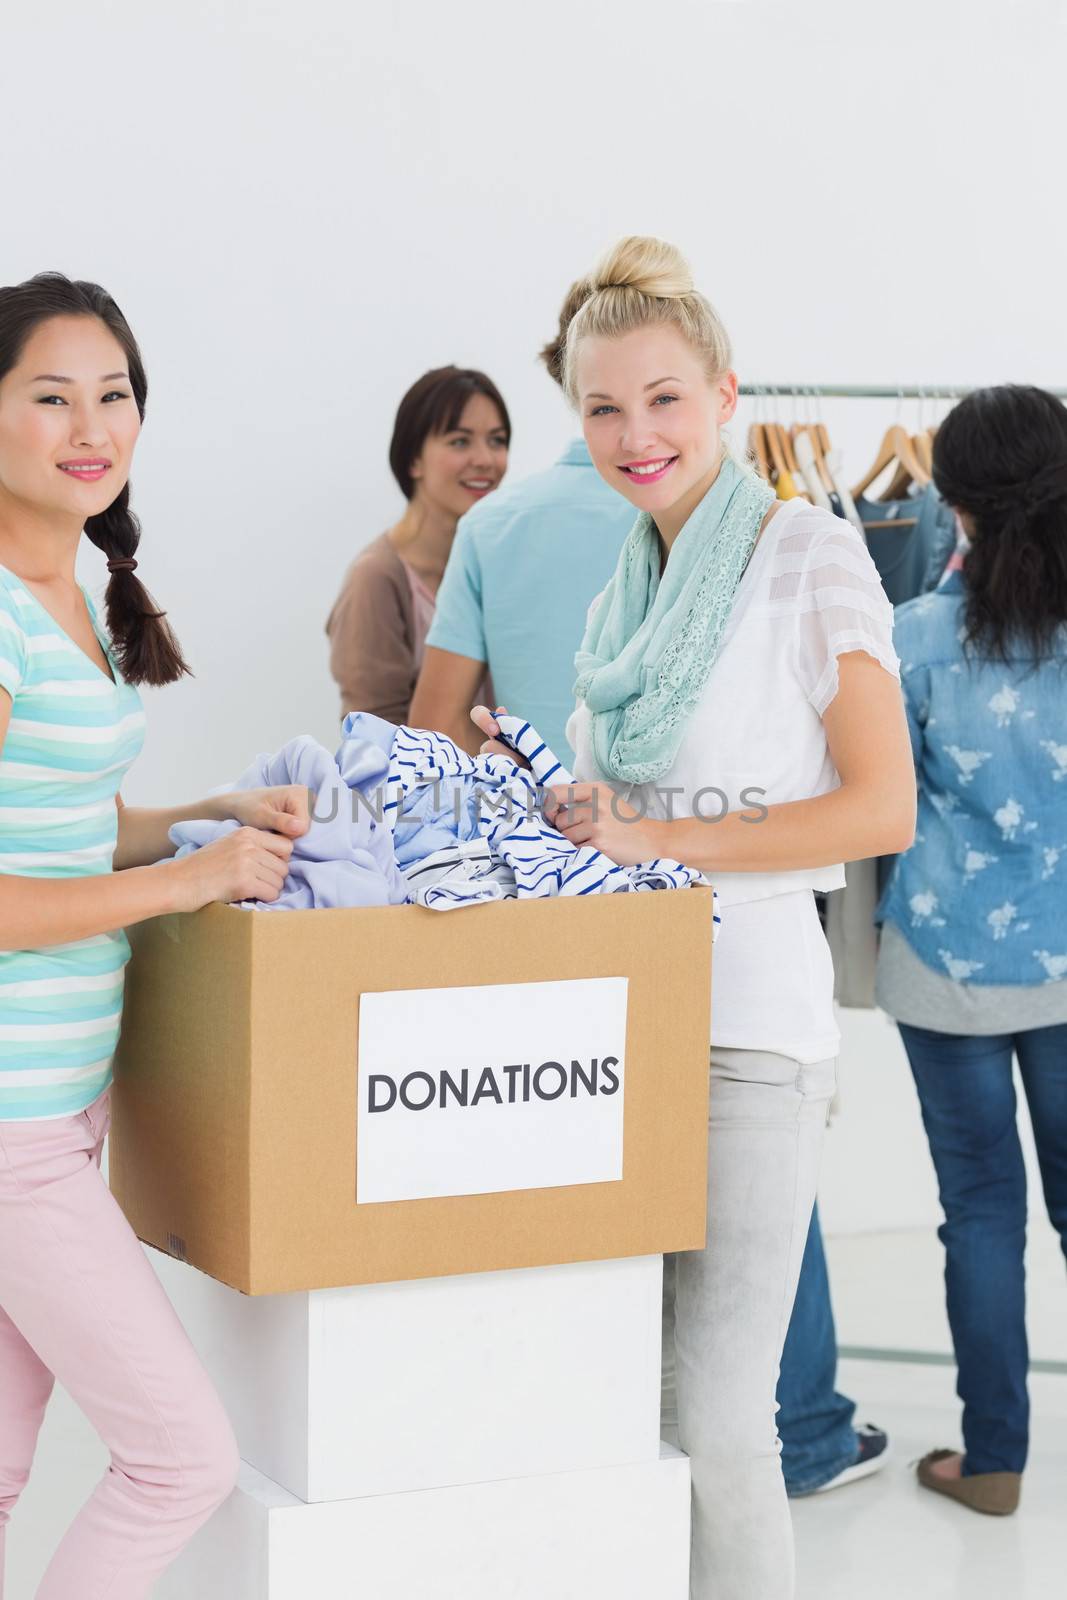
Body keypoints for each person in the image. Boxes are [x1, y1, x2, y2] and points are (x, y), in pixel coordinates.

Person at [474, 235, 915, 1600]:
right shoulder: (628, 588)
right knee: (634, 1404)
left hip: (748, 1040)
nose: (632, 433)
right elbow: (623, 800)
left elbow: (877, 808)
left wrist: (655, 835)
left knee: (723, 1420)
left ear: (725, 397)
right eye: (601, 408)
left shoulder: (811, 556)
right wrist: (564, 808)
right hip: (622, 1024)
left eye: (662, 398)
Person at [0, 273, 312, 1599]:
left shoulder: (70, 590)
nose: (93, 424)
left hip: (63, 1104)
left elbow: (67, 827)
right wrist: (190, 887)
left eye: (115, 392)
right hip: (10, 1124)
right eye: (49, 394)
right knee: (179, 1460)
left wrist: (203, 819)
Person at [875, 384, 1067, 1517]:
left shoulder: (912, 641)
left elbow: (884, 808)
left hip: (943, 971)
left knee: (980, 1213)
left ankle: (991, 1460)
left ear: (953, 504)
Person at [409, 279, 633, 763]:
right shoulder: (699, 520)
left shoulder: (488, 525)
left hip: (529, 823)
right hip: (684, 824)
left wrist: (525, 766)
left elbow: (433, 732)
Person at [326, 365, 508, 730]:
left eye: (497, 440)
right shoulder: (376, 578)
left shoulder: (501, 564)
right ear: (413, 460)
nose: (485, 460)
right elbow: (373, 737)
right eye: (460, 441)